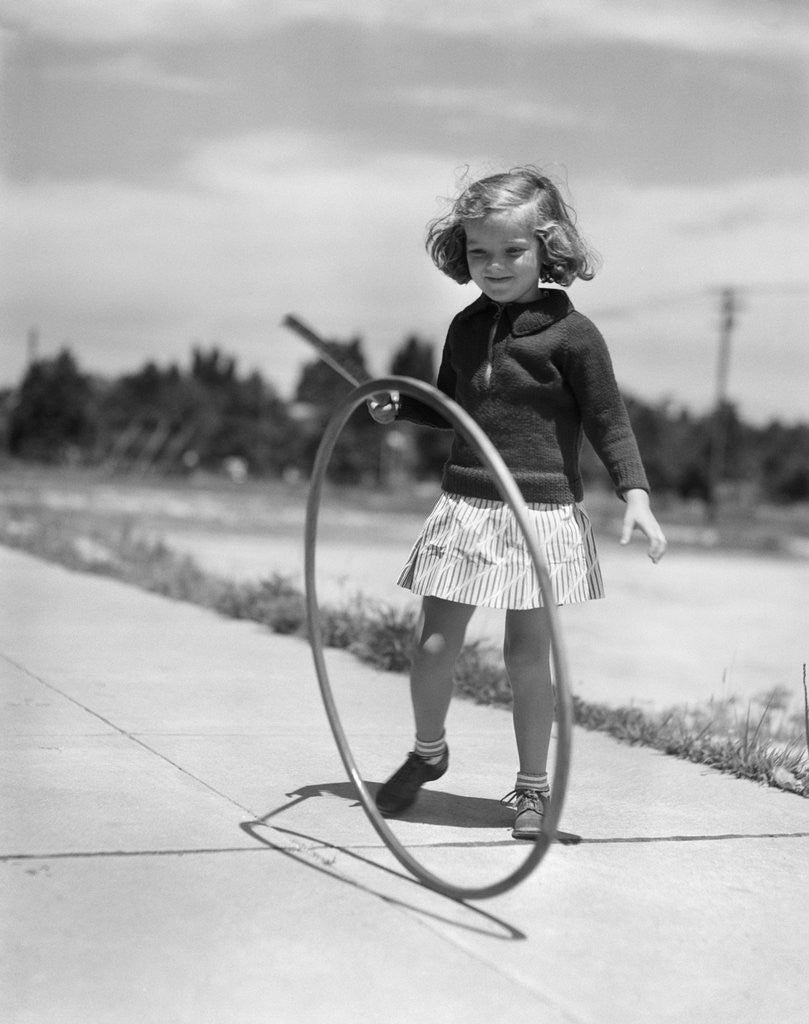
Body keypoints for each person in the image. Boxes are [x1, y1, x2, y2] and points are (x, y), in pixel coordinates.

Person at [367, 166, 667, 839]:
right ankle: (428, 751)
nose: (493, 266)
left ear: (546, 248)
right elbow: (451, 405)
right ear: (461, 251)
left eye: (511, 251)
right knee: (433, 644)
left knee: (527, 657)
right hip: (466, 507)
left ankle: (531, 788)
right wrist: (401, 406)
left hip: (541, 515)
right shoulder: (464, 327)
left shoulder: (572, 335)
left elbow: (608, 421)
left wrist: (636, 495)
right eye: (479, 252)